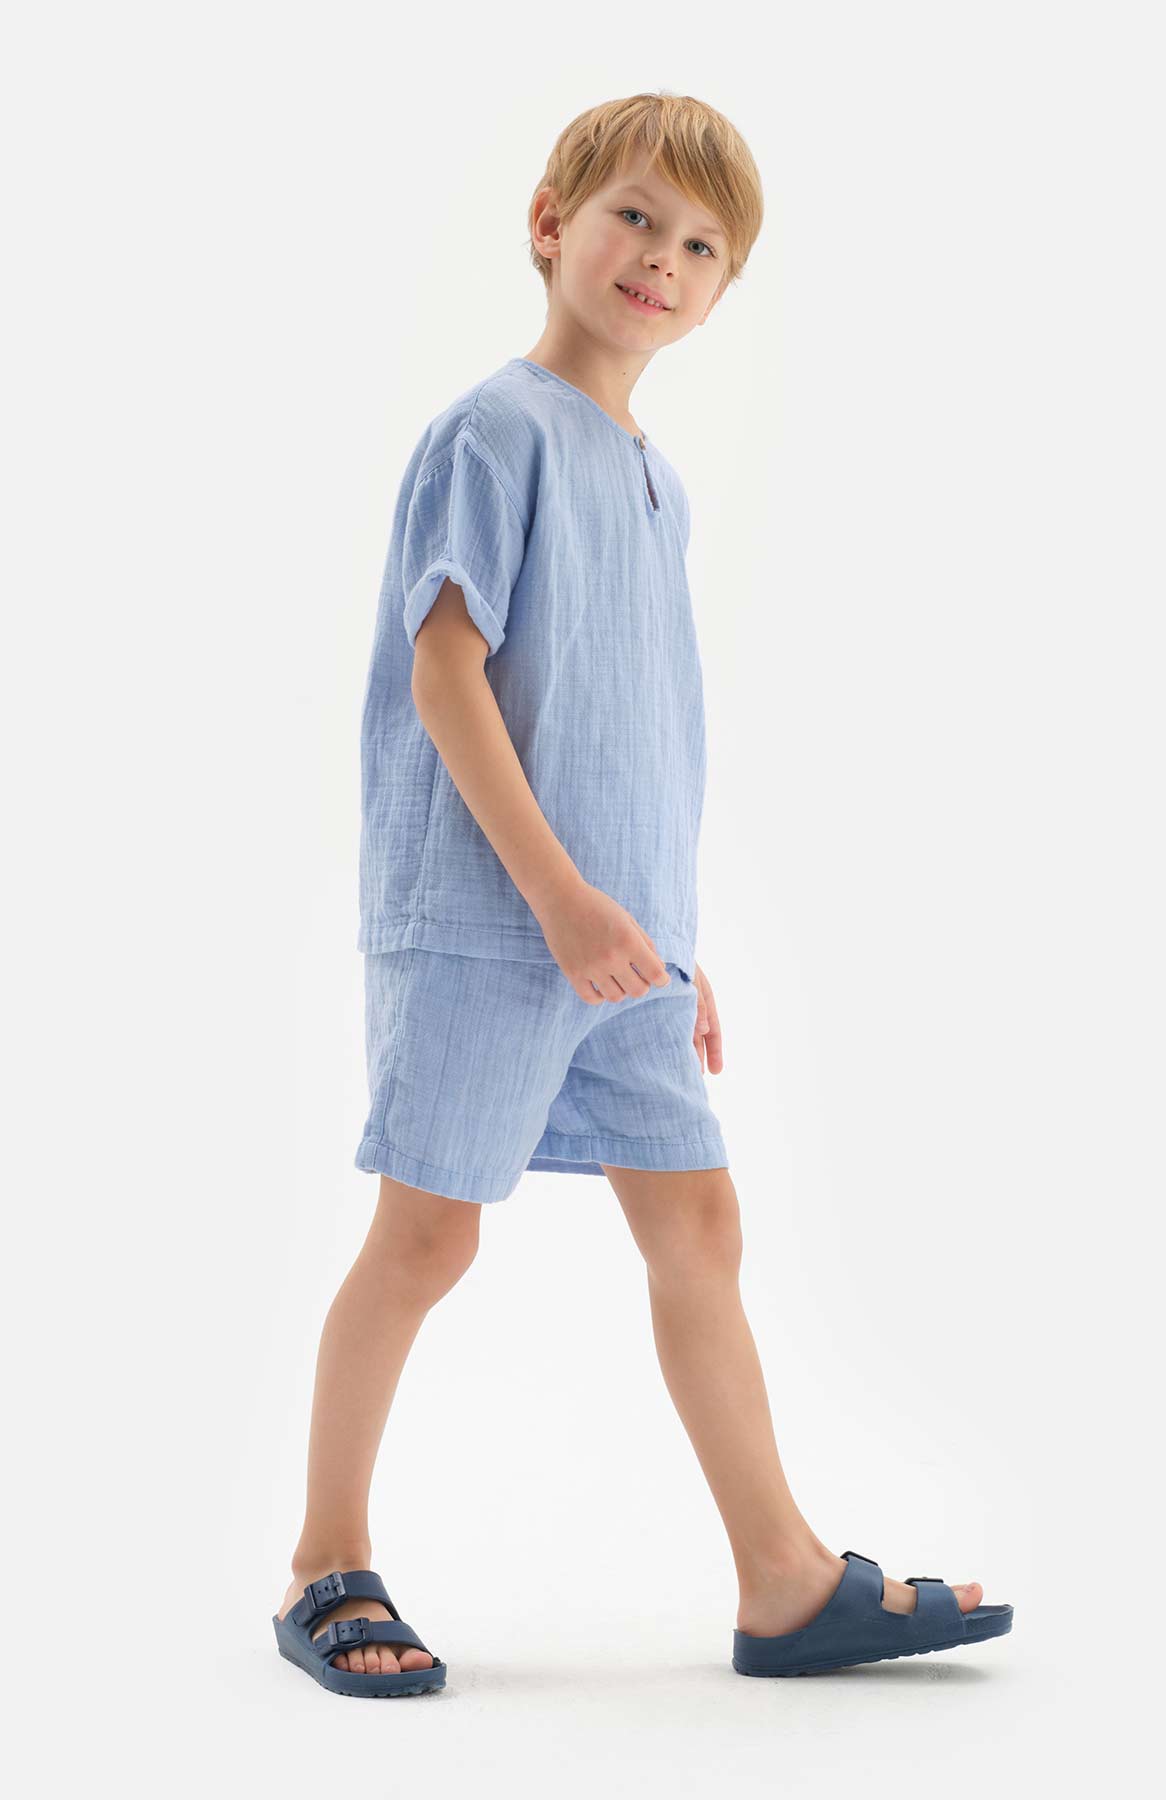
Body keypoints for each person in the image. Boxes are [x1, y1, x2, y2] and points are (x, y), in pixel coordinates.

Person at [273, 91, 1012, 1696]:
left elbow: (629, 730)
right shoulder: (498, 431)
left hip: (618, 947)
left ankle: (785, 1581)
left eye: (700, 246)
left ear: (721, 292)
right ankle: (325, 1558)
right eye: (633, 218)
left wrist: (667, 940)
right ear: (551, 225)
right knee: (426, 1238)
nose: (661, 259)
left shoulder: (654, 477)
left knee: (699, 1221)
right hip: (491, 921)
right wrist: (556, 897)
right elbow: (447, 673)